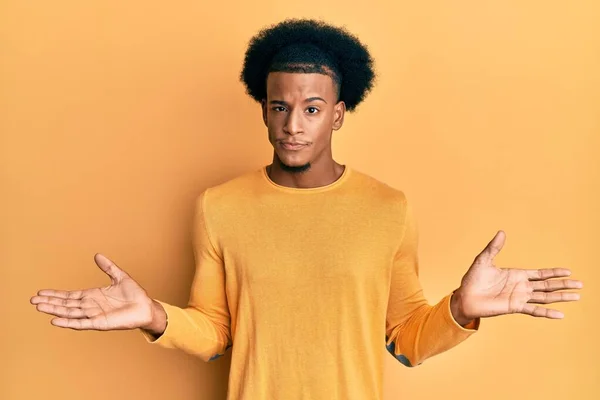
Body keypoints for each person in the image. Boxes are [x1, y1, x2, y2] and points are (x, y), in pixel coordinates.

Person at [30, 18, 583, 400]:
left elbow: (406, 340)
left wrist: (462, 309)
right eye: (280, 107)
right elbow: (217, 334)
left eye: (312, 108)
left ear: (337, 115)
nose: (294, 124)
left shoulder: (387, 208)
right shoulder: (218, 206)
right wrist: (155, 316)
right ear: (265, 112)